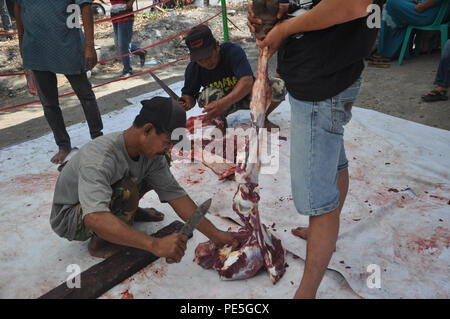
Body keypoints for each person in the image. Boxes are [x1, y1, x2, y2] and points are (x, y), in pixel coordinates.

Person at [248, 0, 380, 298]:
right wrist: (286, 10)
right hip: (318, 78)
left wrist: (285, 28)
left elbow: (353, 4)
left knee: (317, 199)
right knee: (333, 161)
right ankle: (326, 235)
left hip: (324, 84)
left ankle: (306, 292)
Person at [50, 96, 239, 260]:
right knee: (126, 190)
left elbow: (174, 194)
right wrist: (154, 245)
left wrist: (215, 234)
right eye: (166, 142)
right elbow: (95, 217)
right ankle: (100, 244)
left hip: (101, 200)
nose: (169, 148)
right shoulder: (100, 158)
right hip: (71, 217)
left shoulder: (149, 153)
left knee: (159, 163)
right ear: (147, 130)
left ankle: (129, 210)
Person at [15, 0, 104, 164]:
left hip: (68, 43)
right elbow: (18, 6)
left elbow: (85, 5)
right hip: (36, 47)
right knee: (48, 102)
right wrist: (21, 41)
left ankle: (98, 137)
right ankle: (63, 145)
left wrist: (89, 45)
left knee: (85, 94)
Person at [178, 24, 286, 130]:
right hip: (221, 105)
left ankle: (262, 119)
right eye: (200, 60)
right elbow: (189, 96)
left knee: (278, 86)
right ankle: (220, 123)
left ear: (217, 46)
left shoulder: (232, 51)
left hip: (248, 97)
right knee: (207, 96)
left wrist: (223, 103)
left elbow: (247, 81)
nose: (206, 62)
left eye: (208, 56)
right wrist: (186, 102)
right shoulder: (193, 68)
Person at [371, 0, 449, 61]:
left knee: (391, 4)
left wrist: (423, 6)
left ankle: (387, 52)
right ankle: (396, 50)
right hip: (433, 10)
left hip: (428, 13)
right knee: (393, 7)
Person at [110, 0, 147, 76]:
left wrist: (130, 3)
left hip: (125, 11)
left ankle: (127, 70)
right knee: (118, 43)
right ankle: (141, 52)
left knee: (123, 45)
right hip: (114, 13)